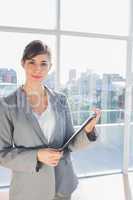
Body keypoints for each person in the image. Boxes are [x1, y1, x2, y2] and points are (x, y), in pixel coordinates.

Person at [0, 40, 101, 200]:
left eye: (43, 63)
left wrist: (88, 131)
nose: (37, 69)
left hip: (62, 186)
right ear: (23, 63)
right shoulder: (7, 104)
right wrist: (37, 156)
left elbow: (70, 143)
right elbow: (2, 154)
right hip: (29, 190)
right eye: (32, 62)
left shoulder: (60, 100)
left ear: (50, 67)